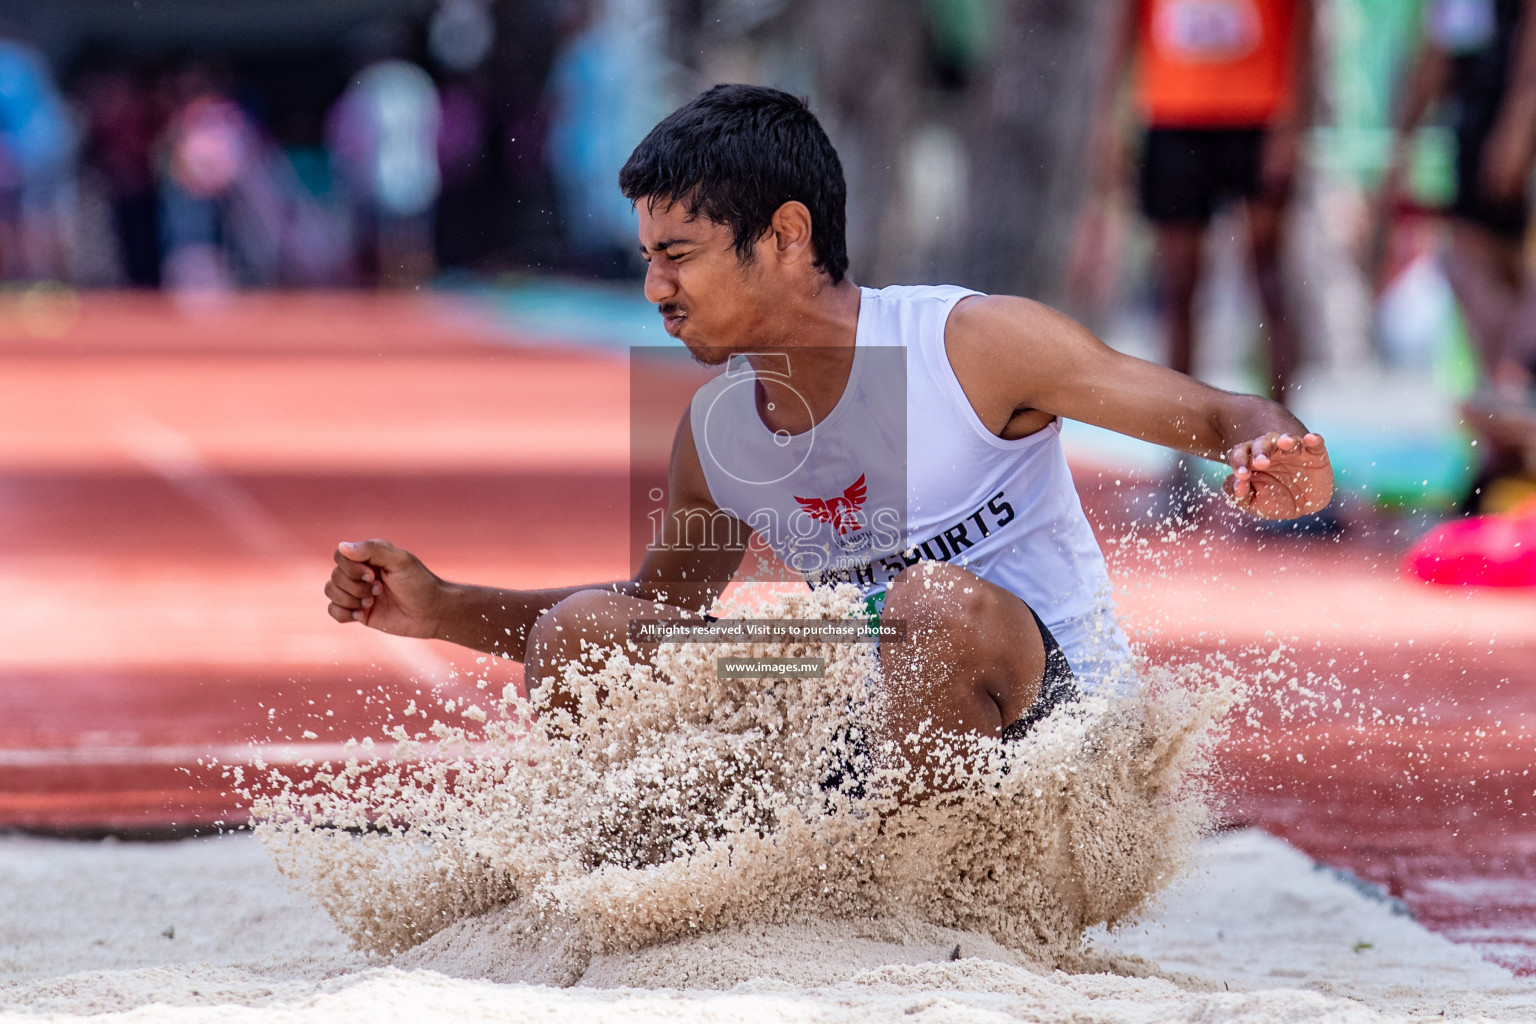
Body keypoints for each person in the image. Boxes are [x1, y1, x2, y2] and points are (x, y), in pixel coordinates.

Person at [324, 85, 1332, 789]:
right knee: (590, 637)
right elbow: (651, 621)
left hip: (1057, 740)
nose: (654, 290)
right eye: (647, 258)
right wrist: (446, 608)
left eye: (679, 256)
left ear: (788, 236)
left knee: (930, 607)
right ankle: (693, 902)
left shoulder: (970, 343)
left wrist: (1273, 449)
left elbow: (1213, 415)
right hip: (863, 711)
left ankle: (924, 906)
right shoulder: (719, 430)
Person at [1086, 0, 1316, 407]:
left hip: (1260, 113)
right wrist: (1109, 117)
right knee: (1178, 284)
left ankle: (1285, 434)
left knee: (1268, 278)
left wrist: (1294, 122)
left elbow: (1305, 20)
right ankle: (1180, 441)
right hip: (1173, 115)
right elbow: (1123, 21)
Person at [1384, 0, 1536, 509]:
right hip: (1479, 119)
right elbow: (1438, 51)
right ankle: (1506, 444)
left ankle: (1512, 409)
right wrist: (1399, 148)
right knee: (1470, 266)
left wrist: (1520, 117)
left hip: (1510, 117)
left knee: (1501, 282)